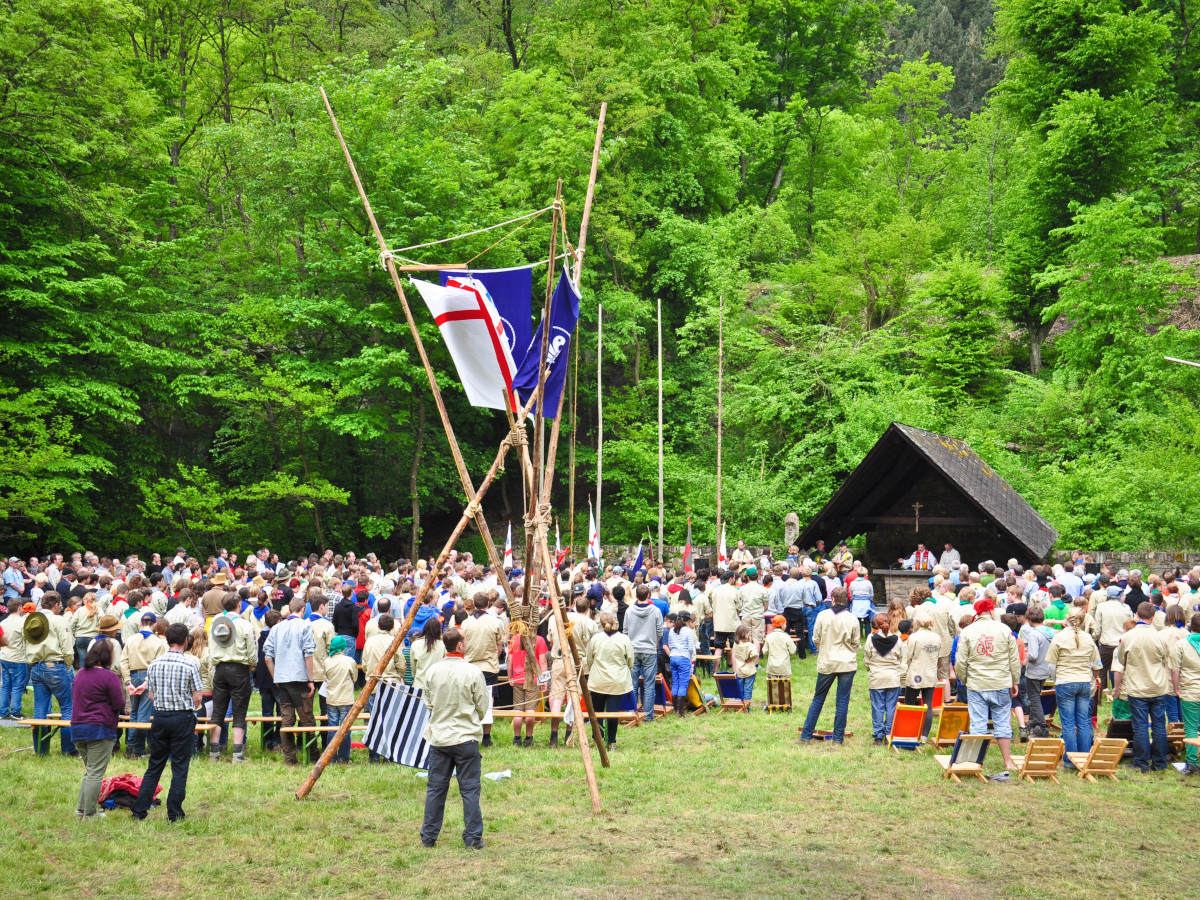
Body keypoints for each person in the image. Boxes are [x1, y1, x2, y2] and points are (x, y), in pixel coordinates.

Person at [419, 626, 489, 850]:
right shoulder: (473, 672)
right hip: (465, 738)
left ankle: (428, 837)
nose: (466, 643)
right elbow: (483, 705)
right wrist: (469, 718)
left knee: (436, 789)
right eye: (465, 640)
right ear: (459, 645)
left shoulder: (432, 671)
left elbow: (428, 702)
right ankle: (473, 838)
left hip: (440, 737)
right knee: (469, 789)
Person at [130, 623, 202, 822]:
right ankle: (174, 813)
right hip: (182, 717)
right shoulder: (190, 664)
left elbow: (151, 696)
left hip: (161, 717)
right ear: (186, 641)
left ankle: (139, 810)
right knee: (179, 766)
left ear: (167, 640)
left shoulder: (154, 664)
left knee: (155, 765)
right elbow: (197, 697)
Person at [956, 598, 1020, 769]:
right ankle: (1008, 762)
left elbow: (960, 661)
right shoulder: (1004, 630)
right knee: (1002, 722)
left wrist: (963, 679)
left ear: (976, 613)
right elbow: (1014, 659)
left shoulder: (968, 631)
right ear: (992, 612)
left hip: (977, 683)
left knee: (978, 723)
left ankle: (976, 762)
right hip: (1000, 682)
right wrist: (1015, 680)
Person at [71, 639, 126, 817]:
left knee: (90, 771)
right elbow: (119, 703)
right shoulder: (110, 677)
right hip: (100, 728)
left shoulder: (80, 673)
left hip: (78, 727)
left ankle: (81, 809)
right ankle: (90, 812)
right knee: (95, 772)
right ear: (108, 657)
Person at [1115, 602, 1171, 773]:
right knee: (1159, 724)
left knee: (1140, 726)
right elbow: (1165, 660)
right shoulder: (1160, 637)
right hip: (1158, 686)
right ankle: (1160, 763)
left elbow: (1122, 661)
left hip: (1138, 687)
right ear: (1153, 618)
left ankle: (1141, 763)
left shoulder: (1127, 637)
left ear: (1137, 615)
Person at [799, 587, 860, 744]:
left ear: (832, 599)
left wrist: (824, 650)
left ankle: (806, 736)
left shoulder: (822, 615)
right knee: (842, 701)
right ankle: (838, 739)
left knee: (818, 698)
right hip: (847, 664)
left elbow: (816, 639)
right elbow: (856, 642)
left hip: (827, 662)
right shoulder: (852, 618)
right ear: (846, 599)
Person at [263, 598, 317, 766]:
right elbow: (308, 653)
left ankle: (290, 759)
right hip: (300, 679)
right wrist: (311, 679)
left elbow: (267, 657)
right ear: (302, 609)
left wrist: (275, 676)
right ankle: (313, 755)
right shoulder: (305, 625)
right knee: (307, 719)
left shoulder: (277, 627)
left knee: (286, 720)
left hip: (282, 679)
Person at [1047, 610, 1101, 766]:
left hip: (1065, 681)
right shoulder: (1089, 639)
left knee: (1068, 723)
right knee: (1084, 721)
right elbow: (1096, 665)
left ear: (1067, 619)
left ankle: (1070, 761)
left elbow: (1051, 664)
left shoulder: (1059, 637)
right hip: (1084, 681)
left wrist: (1057, 679)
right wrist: (1092, 679)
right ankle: (1084, 759)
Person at [25, 593, 77, 756]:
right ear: (56, 604)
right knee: (68, 707)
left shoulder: (32, 620)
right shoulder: (59, 620)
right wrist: (68, 666)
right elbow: (67, 646)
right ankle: (68, 750)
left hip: (36, 666)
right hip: (56, 665)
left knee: (40, 710)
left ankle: (40, 751)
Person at [208, 594, 257, 763]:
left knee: (218, 712)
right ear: (239, 604)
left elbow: (210, 650)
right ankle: (237, 754)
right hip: (239, 669)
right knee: (239, 712)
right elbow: (252, 651)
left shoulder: (216, 624)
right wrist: (251, 665)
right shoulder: (244, 625)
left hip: (220, 668)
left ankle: (214, 753)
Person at [584, 612, 634, 750]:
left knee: (597, 711)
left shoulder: (595, 639)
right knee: (613, 712)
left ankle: (597, 738)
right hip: (617, 681)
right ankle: (611, 741)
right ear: (614, 621)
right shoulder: (624, 639)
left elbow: (589, 659)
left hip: (598, 681)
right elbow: (630, 660)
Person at [120, 611, 167, 759]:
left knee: (134, 712)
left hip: (133, 676)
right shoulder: (159, 642)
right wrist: (147, 681)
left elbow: (123, 661)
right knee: (144, 714)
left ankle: (130, 746)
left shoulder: (130, 640)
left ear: (140, 624)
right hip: (149, 676)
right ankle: (139, 750)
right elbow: (158, 664)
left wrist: (128, 682)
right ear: (154, 625)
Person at [461, 594, 504, 748]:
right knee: (488, 702)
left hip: (469, 666)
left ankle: (471, 735)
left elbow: (462, 646)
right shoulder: (495, 622)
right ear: (488, 604)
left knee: (469, 700)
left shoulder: (466, 623)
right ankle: (486, 736)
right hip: (488, 667)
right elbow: (499, 648)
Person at [863, 612, 905, 744]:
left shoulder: (870, 639)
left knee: (877, 707)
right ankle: (889, 733)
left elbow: (866, 660)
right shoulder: (898, 640)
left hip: (877, 678)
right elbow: (903, 660)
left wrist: (871, 670)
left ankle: (878, 735)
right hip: (893, 678)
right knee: (891, 707)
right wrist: (898, 673)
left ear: (876, 624)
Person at [623, 584, 663, 721]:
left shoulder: (629, 611)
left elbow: (625, 631)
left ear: (636, 596)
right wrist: (653, 641)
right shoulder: (656, 611)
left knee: (632, 683)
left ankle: (632, 713)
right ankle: (648, 715)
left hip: (633, 649)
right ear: (649, 595)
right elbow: (660, 631)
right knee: (649, 684)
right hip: (649, 650)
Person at [903, 609, 943, 738]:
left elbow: (909, 656)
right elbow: (938, 655)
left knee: (910, 704)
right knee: (928, 705)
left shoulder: (914, 637)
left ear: (917, 623)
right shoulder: (936, 637)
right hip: (930, 673)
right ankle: (924, 735)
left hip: (916, 672)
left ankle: (909, 731)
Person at [1169, 613, 1200, 776]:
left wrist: (1176, 689)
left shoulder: (1181, 644)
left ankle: (1193, 763)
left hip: (1190, 690)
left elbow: (1175, 669)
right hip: (1191, 689)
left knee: (1191, 728)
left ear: (1190, 627)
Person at [507, 624, 548, 745]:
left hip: (518, 678)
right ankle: (529, 738)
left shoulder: (514, 639)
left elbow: (509, 660)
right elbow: (543, 661)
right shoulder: (539, 640)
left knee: (518, 711)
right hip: (533, 679)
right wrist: (544, 681)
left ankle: (517, 738)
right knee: (530, 710)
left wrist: (510, 677)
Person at [323, 635, 358, 764]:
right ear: (343, 648)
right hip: (346, 698)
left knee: (332, 728)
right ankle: (343, 757)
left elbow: (325, 676)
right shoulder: (349, 661)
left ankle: (330, 757)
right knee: (345, 729)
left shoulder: (327, 661)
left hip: (331, 698)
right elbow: (354, 678)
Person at [1021, 607, 1053, 738]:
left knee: (1034, 698)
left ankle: (1041, 728)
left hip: (1035, 670)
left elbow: (1033, 655)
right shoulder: (1049, 631)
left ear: (1029, 619)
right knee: (1036, 696)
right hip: (1046, 668)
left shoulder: (1033, 634)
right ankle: (1034, 724)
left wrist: (1025, 657)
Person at [256, 609, 282, 751]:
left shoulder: (261, 637)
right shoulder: (278, 638)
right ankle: (277, 740)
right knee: (280, 711)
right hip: (275, 676)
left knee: (267, 712)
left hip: (262, 677)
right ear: (278, 622)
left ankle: (268, 740)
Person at [0, 601, 30, 718]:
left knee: (5, 685)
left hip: (4, 656)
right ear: (19, 608)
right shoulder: (22, 622)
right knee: (17, 686)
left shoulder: (3, 622)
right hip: (18, 658)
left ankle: (3, 712)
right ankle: (15, 712)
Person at [665, 612, 696, 716]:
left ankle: (675, 709)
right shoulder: (688, 631)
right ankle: (680, 712)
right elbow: (691, 647)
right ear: (687, 621)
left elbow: (669, 644)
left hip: (673, 657)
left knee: (676, 683)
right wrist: (689, 656)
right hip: (684, 657)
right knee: (683, 684)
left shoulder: (672, 630)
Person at [761, 614, 797, 683]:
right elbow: (793, 651)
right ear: (782, 624)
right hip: (784, 667)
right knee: (785, 689)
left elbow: (764, 651)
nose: (786, 626)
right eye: (785, 624)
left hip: (772, 667)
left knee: (772, 689)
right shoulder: (786, 637)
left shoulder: (769, 637)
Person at [731, 623, 759, 705]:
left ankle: (738, 705)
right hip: (749, 671)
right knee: (748, 690)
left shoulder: (735, 644)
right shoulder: (750, 645)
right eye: (748, 633)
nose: (749, 634)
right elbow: (755, 653)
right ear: (745, 635)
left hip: (739, 670)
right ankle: (746, 707)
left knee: (739, 689)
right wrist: (750, 659)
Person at [848, 570, 874, 640]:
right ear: (865, 574)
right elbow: (871, 594)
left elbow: (851, 593)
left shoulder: (852, 583)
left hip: (856, 603)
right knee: (867, 620)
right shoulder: (868, 583)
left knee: (857, 620)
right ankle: (867, 636)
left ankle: (858, 636)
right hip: (866, 603)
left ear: (857, 574)